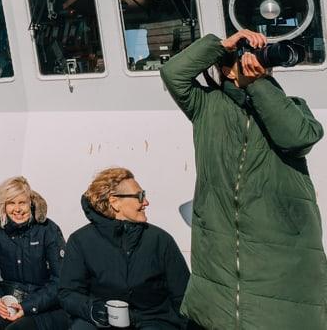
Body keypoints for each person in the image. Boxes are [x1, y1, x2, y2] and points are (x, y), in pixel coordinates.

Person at [160, 30, 327, 328]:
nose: (258, 62)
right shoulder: (206, 106)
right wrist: (220, 44)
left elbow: (298, 139)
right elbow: (173, 73)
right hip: (220, 281)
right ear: (226, 69)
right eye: (245, 58)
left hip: (281, 276)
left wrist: (259, 85)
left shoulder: (292, 107)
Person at [59, 167, 189, 329]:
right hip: (103, 323)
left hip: (153, 321)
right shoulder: (81, 240)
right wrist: (92, 308)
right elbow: (68, 292)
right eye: (140, 196)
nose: (146, 202)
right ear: (114, 202)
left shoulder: (160, 240)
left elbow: (183, 296)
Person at [0, 176, 69, 330]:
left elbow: (60, 278)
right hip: (9, 299)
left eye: (22, 203)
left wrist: (27, 307)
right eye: (11, 203)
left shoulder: (47, 229)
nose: (17, 209)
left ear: (30, 203)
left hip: (43, 303)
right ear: (3, 206)